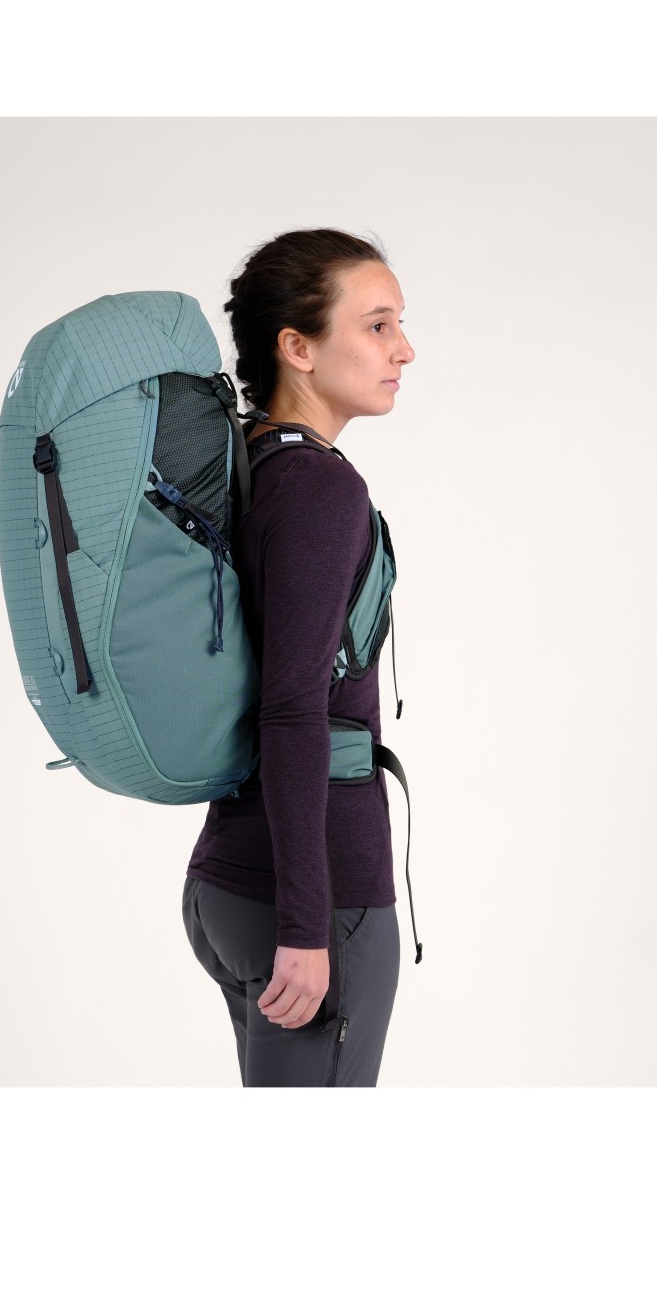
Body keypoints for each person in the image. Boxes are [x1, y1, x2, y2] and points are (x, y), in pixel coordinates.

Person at [182, 228, 416, 1087]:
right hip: (314, 899)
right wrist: (307, 926)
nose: (404, 350)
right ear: (298, 347)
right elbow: (291, 709)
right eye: (378, 326)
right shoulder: (319, 487)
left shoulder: (249, 465)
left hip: (230, 875)